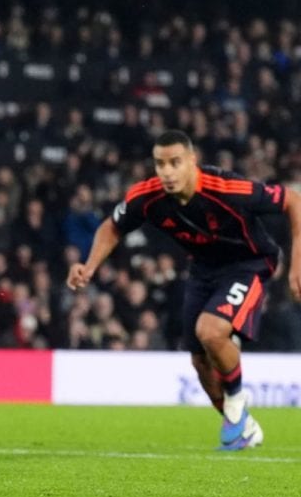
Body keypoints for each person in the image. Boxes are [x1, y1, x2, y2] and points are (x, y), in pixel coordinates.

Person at [67, 130, 301, 450]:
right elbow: (112, 226)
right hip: (203, 270)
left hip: (249, 263)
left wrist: (297, 263)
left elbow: (293, 200)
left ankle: (236, 398)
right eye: (160, 164)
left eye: (175, 162)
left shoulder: (226, 188)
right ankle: (241, 425)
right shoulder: (147, 197)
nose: (167, 172)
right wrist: (90, 266)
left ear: (192, 161)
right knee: (200, 362)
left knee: (210, 331)